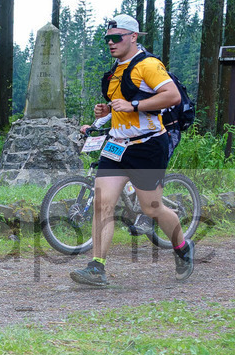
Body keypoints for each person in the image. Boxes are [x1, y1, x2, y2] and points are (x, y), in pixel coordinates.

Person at [72, 14, 194, 287]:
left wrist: (135, 106)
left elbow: (171, 96)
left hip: (148, 146)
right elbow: (120, 104)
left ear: (133, 37)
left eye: (117, 37)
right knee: (103, 205)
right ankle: (97, 268)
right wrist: (103, 114)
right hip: (117, 146)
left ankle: (182, 248)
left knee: (152, 208)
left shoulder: (148, 65)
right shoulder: (116, 69)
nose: (111, 43)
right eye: (107, 39)